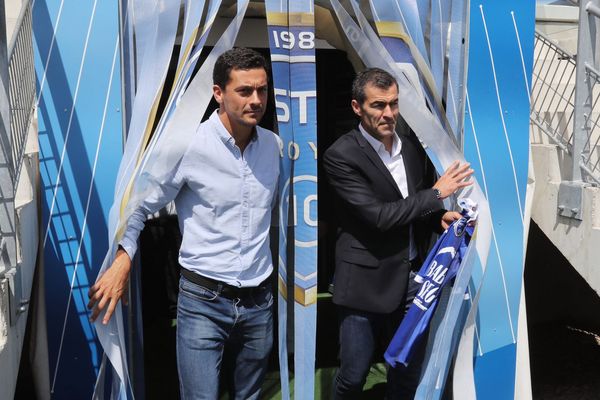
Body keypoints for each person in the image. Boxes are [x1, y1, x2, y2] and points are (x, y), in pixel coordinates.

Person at [87, 48, 280, 400]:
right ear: (218, 93)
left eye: (262, 90)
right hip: (203, 302)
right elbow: (137, 206)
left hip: (259, 302)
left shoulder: (273, 147)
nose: (256, 100)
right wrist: (123, 260)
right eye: (244, 91)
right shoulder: (187, 146)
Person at [323, 67, 473, 399]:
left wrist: (438, 219)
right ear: (356, 107)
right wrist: (436, 193)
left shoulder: (410, 149)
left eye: (393, 104)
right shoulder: (340, 155)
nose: (388, 113)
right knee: (353, 375)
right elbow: (379, 216)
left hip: (411, 281)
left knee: (406, 373)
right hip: (363, 285)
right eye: (378, 105)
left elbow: (414, 209)